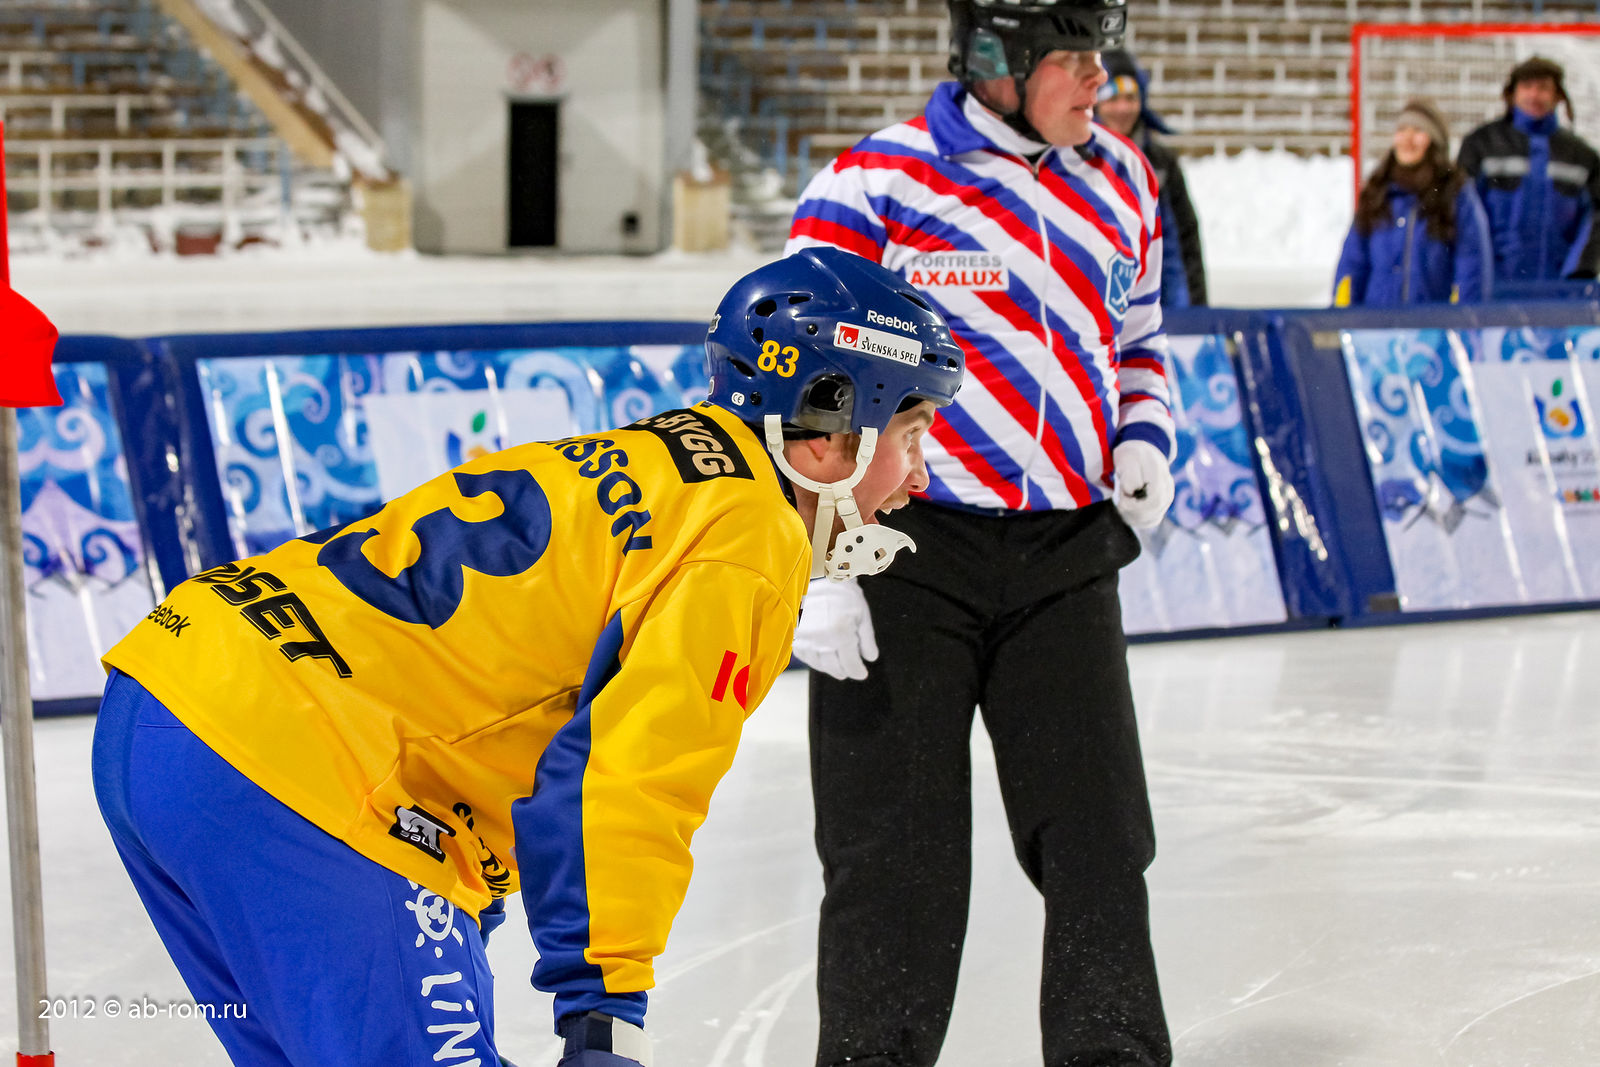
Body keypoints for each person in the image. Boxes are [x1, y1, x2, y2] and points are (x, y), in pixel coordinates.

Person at [90, 247, 965, 1067]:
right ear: (829, 425)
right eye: (911, 432)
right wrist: (604, 1016)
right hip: (297, 762)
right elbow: (628, 786)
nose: (921, 477)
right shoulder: (749, 540)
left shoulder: (667, 457)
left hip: (170, 698)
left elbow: (491, 675)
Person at [785, 0, 1176, 1064]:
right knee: (892, 851)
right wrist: (820, 562)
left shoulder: (1125, 179)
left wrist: (1143, 433)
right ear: (997, 57)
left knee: (1100, 838)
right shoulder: (877, 182)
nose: (1099, 80)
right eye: (1074, 57)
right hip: (903, 553)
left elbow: (1140, 337)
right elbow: (797, 384)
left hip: (1066, 556)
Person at [1334, 98, 1492, 306]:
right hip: (1376, 322)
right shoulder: (1377, 191)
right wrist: (1343, 314)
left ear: (1434, 140)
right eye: (1402, 130)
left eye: (1418, 130)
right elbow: (1353, 263)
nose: (1408, 139)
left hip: (1433, 324)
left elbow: (1471, 265)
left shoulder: (1456, 193)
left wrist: (1463, 318)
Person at [1457, 55, 1600, 284]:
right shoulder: (1481, 145)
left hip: (1561, 291)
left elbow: (1594, 219)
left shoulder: (1582, 156)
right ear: (1512, 93)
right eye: (1526, 86)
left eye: (1543, 88)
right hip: (1491, 287)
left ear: (1558, 96)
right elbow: (1462, 213)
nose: (1534, 95)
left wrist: (1578, 275)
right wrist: (1473, 275)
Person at [1095, 47, 1208, 307]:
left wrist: (1195, 313)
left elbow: (1185, 244)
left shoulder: (1160, 164)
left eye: (1130, 98)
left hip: (1161, 309)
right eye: (1112, 98)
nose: (1123, 108)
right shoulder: (1074, 160)